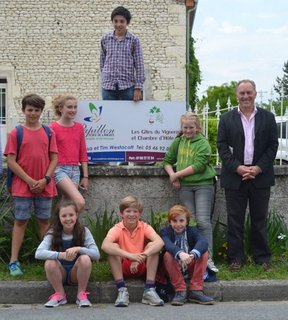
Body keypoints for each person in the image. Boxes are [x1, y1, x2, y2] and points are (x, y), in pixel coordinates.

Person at [217, 79, 278, 272]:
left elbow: (272, 146)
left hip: (260, 175)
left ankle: (262, 257)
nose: (245, 96)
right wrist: (238, 168)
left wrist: (258, 168)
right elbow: (222, 146)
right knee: (235, 220)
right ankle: (236, 258)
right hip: (235, 176)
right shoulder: (226, 119)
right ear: (236, 95)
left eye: (248, 92)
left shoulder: (268, 117)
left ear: (255, 93)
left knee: (259, 219)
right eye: (242, 93)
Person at [4, 94, 58, 276]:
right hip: (22, 186)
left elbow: (54, 158)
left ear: (41, 112)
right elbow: (11, 161)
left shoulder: (49, 132)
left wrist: (45, 180)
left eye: (36, 110)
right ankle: (13, 261)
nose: (33, 113)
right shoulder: (16, 133)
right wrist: (29, 180)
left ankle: (48, 259)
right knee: (21, 221)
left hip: (45, 185)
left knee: (44, 221)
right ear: (23, 110)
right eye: (30, 110)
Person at [163, 112, 218, 273]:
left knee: (203, 221)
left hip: (203, 185)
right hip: (185, 187)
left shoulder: (203, 143)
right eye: (185, 127)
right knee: (190, 222)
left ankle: (208, 258)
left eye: (191, 127)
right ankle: (193, 257)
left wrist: (176, 174)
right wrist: (172, 175)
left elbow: (199, 165)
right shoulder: (178, 142)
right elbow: (167, 161)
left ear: (197, 127)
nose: (188, 130)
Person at [101, 195, 164, 307]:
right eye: (128, 211)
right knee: (113, 247)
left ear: (139, 214)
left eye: (135, 211)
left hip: (141, 265)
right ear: (121, 213)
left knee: (152, 246)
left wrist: (142, 257)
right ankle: (121, 290)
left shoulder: (144, 227)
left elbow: (160, 242)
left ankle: (149, 290)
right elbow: (104, 245)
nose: (131, 214)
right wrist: (130, 256)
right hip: (123, 267)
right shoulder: (116, 228)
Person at [35, 200, 100, 308]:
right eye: (64, 216)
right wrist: (60, 255)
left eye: (71, 215)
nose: (68, 219)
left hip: (76, 273)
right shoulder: (52, 232)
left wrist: (79, 249)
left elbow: (96, 254)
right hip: (59, 273)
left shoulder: (84, 231)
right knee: (50, 262)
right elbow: (38, 253)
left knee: (85, 259)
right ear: (59, 217)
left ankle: (81, 295)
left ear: (77, 215)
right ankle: (60, 294)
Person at [159, 205, 214, 306]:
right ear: (170, 222)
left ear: (187, 222)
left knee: (203, 252)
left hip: (189, 264)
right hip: (173, 267)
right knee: (167, 254)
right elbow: (167, 244)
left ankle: (196, 290)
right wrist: (180, 253)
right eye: (174, 221)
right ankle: (180, 291)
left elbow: (203, 242)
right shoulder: (165, 232)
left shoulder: (192, 231)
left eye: (181, 221)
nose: (178, 224)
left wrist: (192, 255)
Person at [50, 95, 89, 213]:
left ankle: (60, 230)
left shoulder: (79, 127)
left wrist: (85, 176)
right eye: (69, 107)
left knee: (66, 205)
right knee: (79, 202)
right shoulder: (52, 128)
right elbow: (49, 153)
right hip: (59, 170)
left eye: (75, 107)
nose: (73, 110)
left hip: (75, 170)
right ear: (61, 108)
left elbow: (83, 152)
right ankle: (63, 229)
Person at [100, 6, 145, 102]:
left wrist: (138, 88)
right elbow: (102, 62)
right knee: (109, 114)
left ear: (127, 22)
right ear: (112, 22)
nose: (118, 24)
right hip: (108, 87)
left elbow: (139, 65)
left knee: (130, 115)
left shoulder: (134, 40)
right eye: (115, 21)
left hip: (127, 86)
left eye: (122, 21)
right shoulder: (105, 39)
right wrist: (104, 78)